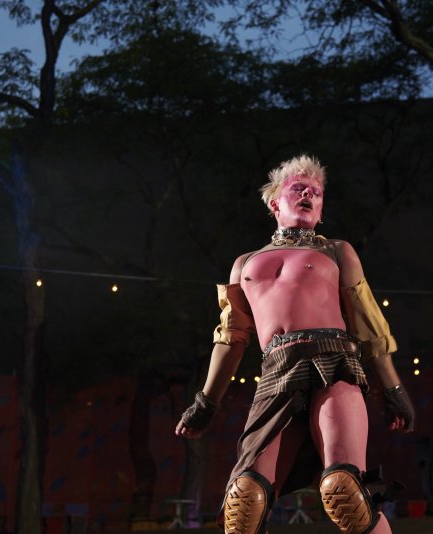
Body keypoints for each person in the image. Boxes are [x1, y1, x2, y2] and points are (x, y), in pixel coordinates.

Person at [175, 154, 415, 534]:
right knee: (244, 503)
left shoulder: (336, 251)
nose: (308, 194)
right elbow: (231, 338)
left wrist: (393, 390)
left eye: (316, 193)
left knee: (344, 491)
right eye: (299, 188)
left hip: (334, 365)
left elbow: (370, 326)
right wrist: (205, 403)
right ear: (275, 203)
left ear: (321, 210)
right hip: (275, 377)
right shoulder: (244, 263)